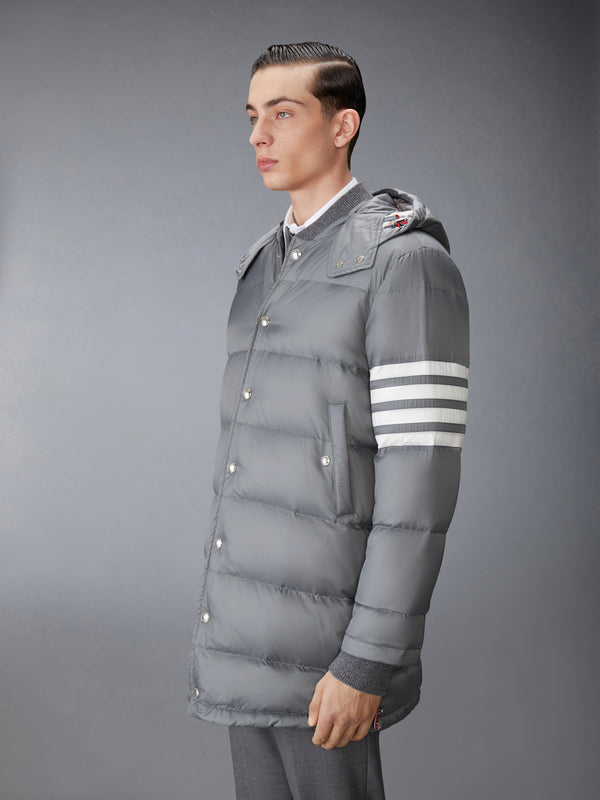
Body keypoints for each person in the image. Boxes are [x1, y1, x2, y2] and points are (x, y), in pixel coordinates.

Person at [187, 42, 470, 799]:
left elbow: (420, 488)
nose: (259, 135)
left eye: (283, 114)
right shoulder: (265, 265)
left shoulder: (405, 265)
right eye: (252, 116)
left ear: (343, 126)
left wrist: (366, 660)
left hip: (329, 648)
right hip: (247, 638)